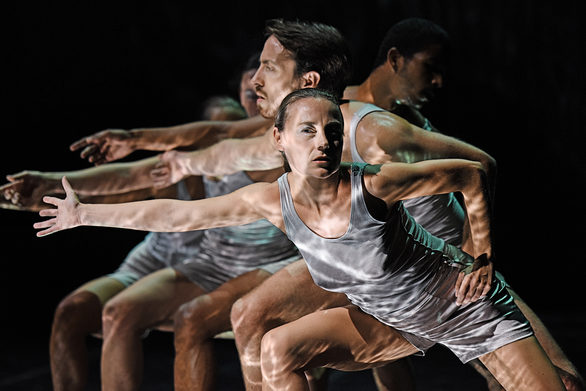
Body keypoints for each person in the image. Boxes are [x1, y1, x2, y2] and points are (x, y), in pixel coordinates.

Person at [66, 18, 584, 391]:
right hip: (387, 308)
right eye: (308, 132)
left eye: (268, 67)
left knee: (561, 384)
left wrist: (482, 252)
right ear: (280, 139)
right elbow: (183, 197)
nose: (256, 79)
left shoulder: (374, 152)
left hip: (455, 294)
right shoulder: (276, 185)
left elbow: (474, 169)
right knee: (272, 341)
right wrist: (85, 204)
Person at [2, 60, 304, 391]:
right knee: (113, 312)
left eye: (264, 80)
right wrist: (50, 188)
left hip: (267, 267)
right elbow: (136, 180)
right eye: (249, 89)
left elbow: (220, 139)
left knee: (234, 329)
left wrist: (135, 142)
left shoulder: (289, 139)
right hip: (205, 262)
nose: (255, 93)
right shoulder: (208, 149)